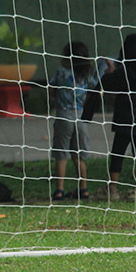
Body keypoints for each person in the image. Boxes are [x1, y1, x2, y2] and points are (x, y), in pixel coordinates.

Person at [101, 34, 136, 200]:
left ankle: (112, 190)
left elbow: (109, 84)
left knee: (117, 152)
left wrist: (111, 72)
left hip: (125, 118)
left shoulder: (123, 72)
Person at [48, 41, 102, 201]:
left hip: (64, 115)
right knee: (79, 156)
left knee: (61, 154)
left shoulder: (61, 72)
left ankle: (59, 190)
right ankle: (83, 189)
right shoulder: (86, 75)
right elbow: (97, 89)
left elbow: (51, 88)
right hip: (81, 116)